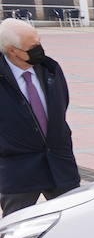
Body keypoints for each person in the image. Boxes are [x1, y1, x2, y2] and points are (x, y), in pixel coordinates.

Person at [0, 18, 79, 216]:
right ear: (12, 51)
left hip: (59, 163)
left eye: (39, 42)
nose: (39, 49)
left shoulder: (51, 69)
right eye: (32, 47)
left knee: (73, 219)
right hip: (18, 169)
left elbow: (61, 106)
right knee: (18, 226)